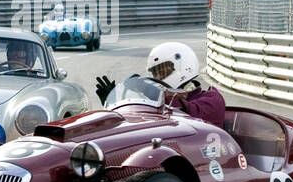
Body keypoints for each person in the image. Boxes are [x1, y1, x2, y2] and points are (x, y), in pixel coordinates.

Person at [96, 41, 225, 127]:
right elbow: (132, 123)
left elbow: (187, 112)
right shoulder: (155, 102)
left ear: (182, 65)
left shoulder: (212, 98)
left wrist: (147, 89)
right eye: (155, 73)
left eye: (162, 70)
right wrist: (114, 104)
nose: (157, 77)